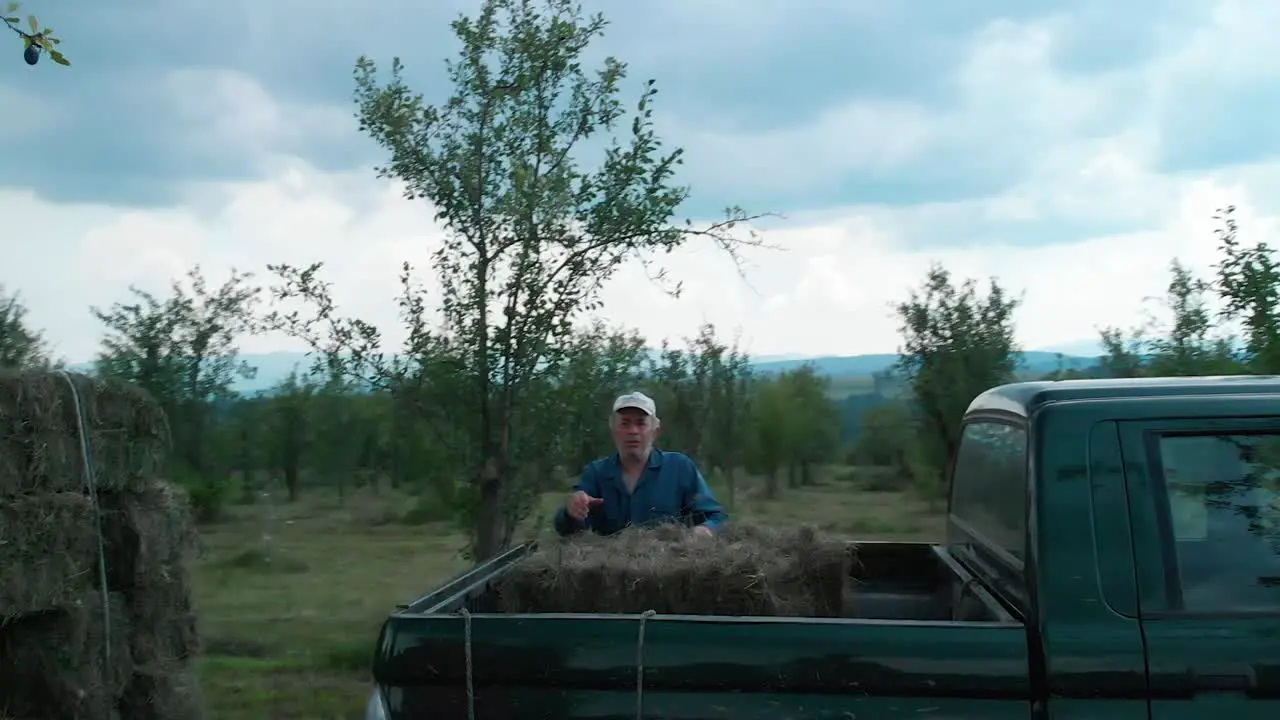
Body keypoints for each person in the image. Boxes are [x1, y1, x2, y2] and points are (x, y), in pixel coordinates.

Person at [553, 391, 728, 538]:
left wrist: (705, 530)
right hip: (610, 573)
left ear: (655, 430)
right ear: (614, 430)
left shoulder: (680, 468)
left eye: (640, 423)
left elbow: (717, 516)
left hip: (668, 570)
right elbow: (566, 530)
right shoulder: (596, 474)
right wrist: (571, 512)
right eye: (625, 423)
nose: (633, 431)